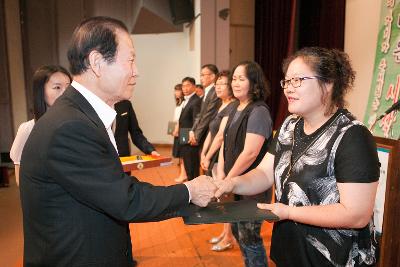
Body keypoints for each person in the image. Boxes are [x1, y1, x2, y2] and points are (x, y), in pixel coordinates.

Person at [19, 16, 216, 267]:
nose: (136, 71)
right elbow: (125, 199)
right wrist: (190, 191)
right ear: (97, 62)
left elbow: (110, 188)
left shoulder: (80, 115)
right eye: (131, 60)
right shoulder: (70, 126)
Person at [215, 47, 380, 267]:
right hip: (290, 250)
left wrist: (289, 212)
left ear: (328, 83)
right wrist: (230, 184)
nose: (288, 89)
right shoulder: (289, 126)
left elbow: (356, 214)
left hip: (332, 258)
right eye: (287, 81)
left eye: (298, 80)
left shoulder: (352, 136)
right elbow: (265, 173)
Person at [216, 61, 273, 266]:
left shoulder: (258, 111)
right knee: (238, 233)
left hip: (252, 188)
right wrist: (222, 171)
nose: (236, 83)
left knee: (250, 237)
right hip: (233, 183)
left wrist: (228, 179)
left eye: (242, 78)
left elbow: (250, 153)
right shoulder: (234, 107)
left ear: (254, 82)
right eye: (234, 78)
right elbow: (225, 142)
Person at [10, 65, 72, 186]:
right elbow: (20, 179)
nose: (65, 93)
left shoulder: (76, 125)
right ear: (41, 91)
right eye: (57, 87)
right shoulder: (28, 129)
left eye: (68, 87)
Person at [200, 70, 237, 252]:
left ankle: (229, 236)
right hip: (213, 155)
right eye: (217, 83)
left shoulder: (232, 106)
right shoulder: (220, 106)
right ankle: (225, 232)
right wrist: (204, 152)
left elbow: (221, 136)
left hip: (222, 156)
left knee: (226, 197)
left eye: (222, 83)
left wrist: (207, 155)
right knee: (222, 196)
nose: (218, 86)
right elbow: (210, 132)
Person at [176, 77, 201, 182]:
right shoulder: (186, 100)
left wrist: (193, 135)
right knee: (186, 163)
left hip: (190, 137)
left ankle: (195, 187)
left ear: (194, 87)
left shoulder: (196, 100)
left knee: (192, 165)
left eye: (187, 85)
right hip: (184, 134)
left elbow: (197, 120)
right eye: (183, 86)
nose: (185, 88)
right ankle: (191, 185)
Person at [189, 64, 221, 147]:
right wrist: (192, 131)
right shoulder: (207, 91)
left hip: (210, 133)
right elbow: (200, 114)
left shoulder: (215, 92)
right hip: (203, 133)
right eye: (200, 75)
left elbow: (208, 115)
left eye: (203, 75)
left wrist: (196, 136)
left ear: (212, 76)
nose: (201, 78)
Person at [171, 84, 188, 181]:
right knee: (180, 154)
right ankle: (183, 173)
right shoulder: (179, 102)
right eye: (175, 90)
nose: (176, 92)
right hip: (178, 130)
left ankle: (184, 174)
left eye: (178, 90)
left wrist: (177, 129)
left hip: (183, 130)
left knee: (183, 154)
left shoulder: (184, 103)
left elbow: (181, 119)